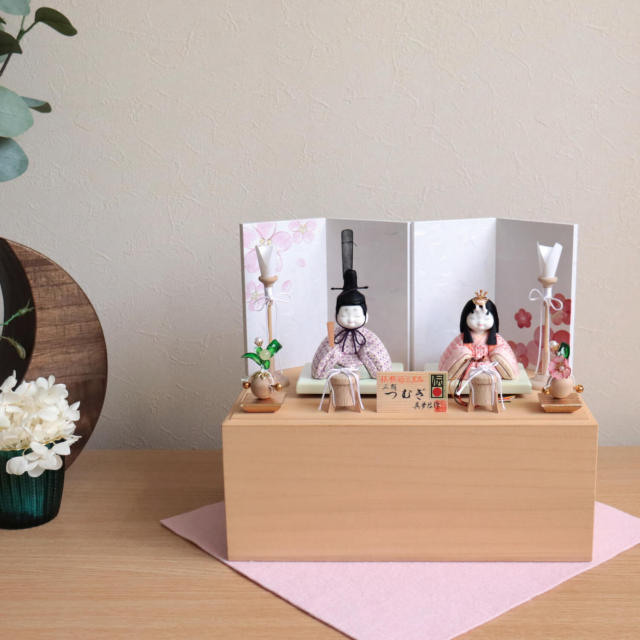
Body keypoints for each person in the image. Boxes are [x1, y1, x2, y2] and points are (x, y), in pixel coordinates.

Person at [311, 266, 392, 379]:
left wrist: (365, 352)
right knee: (329, 351)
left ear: (366, 317)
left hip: (362, 363)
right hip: (339, 362)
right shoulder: (335, 334)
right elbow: (326, 348)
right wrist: (334, 351)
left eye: (357, 315)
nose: (351, 319)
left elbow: (376, 347)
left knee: (371, 355)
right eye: (345, 315)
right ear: (336, 316)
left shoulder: (366, 335)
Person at [439, 290, 518, 381]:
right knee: (462, 352)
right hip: (469, 368)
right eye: (474, 318)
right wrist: (464, 354)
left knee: (499, 355)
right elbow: (452, 351)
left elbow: (504, 350)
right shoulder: (462, 338)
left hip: (489, 366)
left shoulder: (496, 338)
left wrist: (496, 355)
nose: (480, 322)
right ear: (465, 318)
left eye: (486, 318)